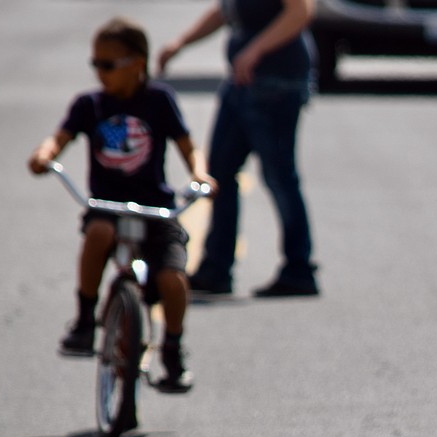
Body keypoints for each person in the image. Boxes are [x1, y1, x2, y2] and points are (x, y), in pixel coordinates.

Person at [28, 17, 215, 393]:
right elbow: (59, 138)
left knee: (173, 279)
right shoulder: (90, 105)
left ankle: (173, 350)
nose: (100, 73)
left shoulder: (159, 100)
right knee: (97, 232)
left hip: (154, 207)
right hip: (107, 204)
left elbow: (188, 146)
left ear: (138, 63)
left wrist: (200, 174)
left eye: (108, 65)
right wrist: (45, 154)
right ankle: (84, 321)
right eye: (94, 64)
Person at [157, 0, 318, 297]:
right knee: (218, 172)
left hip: (275, 80)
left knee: (280, 176)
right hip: (241, 82)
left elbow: (300, 12)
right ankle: (216, 269)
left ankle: (299, 269)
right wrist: (180, 43)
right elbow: (225, 10)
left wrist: (256, 50)